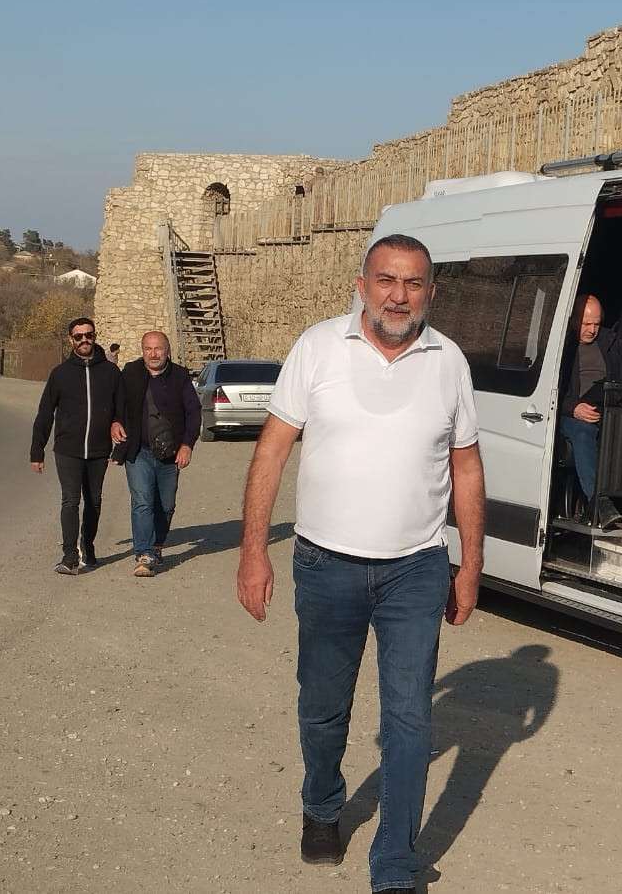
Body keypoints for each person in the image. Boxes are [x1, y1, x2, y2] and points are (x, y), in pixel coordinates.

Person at [236, 233, 485, 894]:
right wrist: (254, 551)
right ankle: (322, 805)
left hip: (415, 568)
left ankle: (394, 864)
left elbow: (466, 466)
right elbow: (271, 452)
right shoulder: (318, 347)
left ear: (430, 293)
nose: (398, 295)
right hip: (326, 565)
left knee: (410, 719)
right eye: (386, 280)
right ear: (362, 285)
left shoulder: (448, 361)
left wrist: (470, 564)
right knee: (323, 708)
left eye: (413, 283)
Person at [29, 317, 121, 574]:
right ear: (71, 340)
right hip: (68, 449)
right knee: (70, 500)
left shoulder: (111, 372)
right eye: (78, 336)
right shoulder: (60, 374)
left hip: (99, 449)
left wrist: (120, 443)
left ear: (95, 336)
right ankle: (69, 556)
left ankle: (87, 546)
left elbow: (122, 410)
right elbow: (45, 413)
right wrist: (37, 451)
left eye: (88, 335)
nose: (84, 340)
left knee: (94, 501)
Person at [110, 331, 201, 577]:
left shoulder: (180, 376)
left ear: (167, 351)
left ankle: (157, 545)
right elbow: (117, 402)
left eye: (158, 348)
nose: (153, 354)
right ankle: (144, 553)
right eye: (148, 349)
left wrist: (187, 445)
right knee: (142, 501)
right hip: (138, 450)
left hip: (170, 452)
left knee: (166, 505)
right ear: (142, 351)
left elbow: (193, 412)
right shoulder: (131, 372)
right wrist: (115, 422)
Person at [558, 293, 622, 529]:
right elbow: (551, 390)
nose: (592, 330)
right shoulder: (562, 346)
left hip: (604, 407)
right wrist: (573, 408)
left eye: (596, 324)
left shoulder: (609, 342)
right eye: (586, 324)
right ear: (573, 321)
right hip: (568, 414)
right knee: (583, 432)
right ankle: (599, 502)